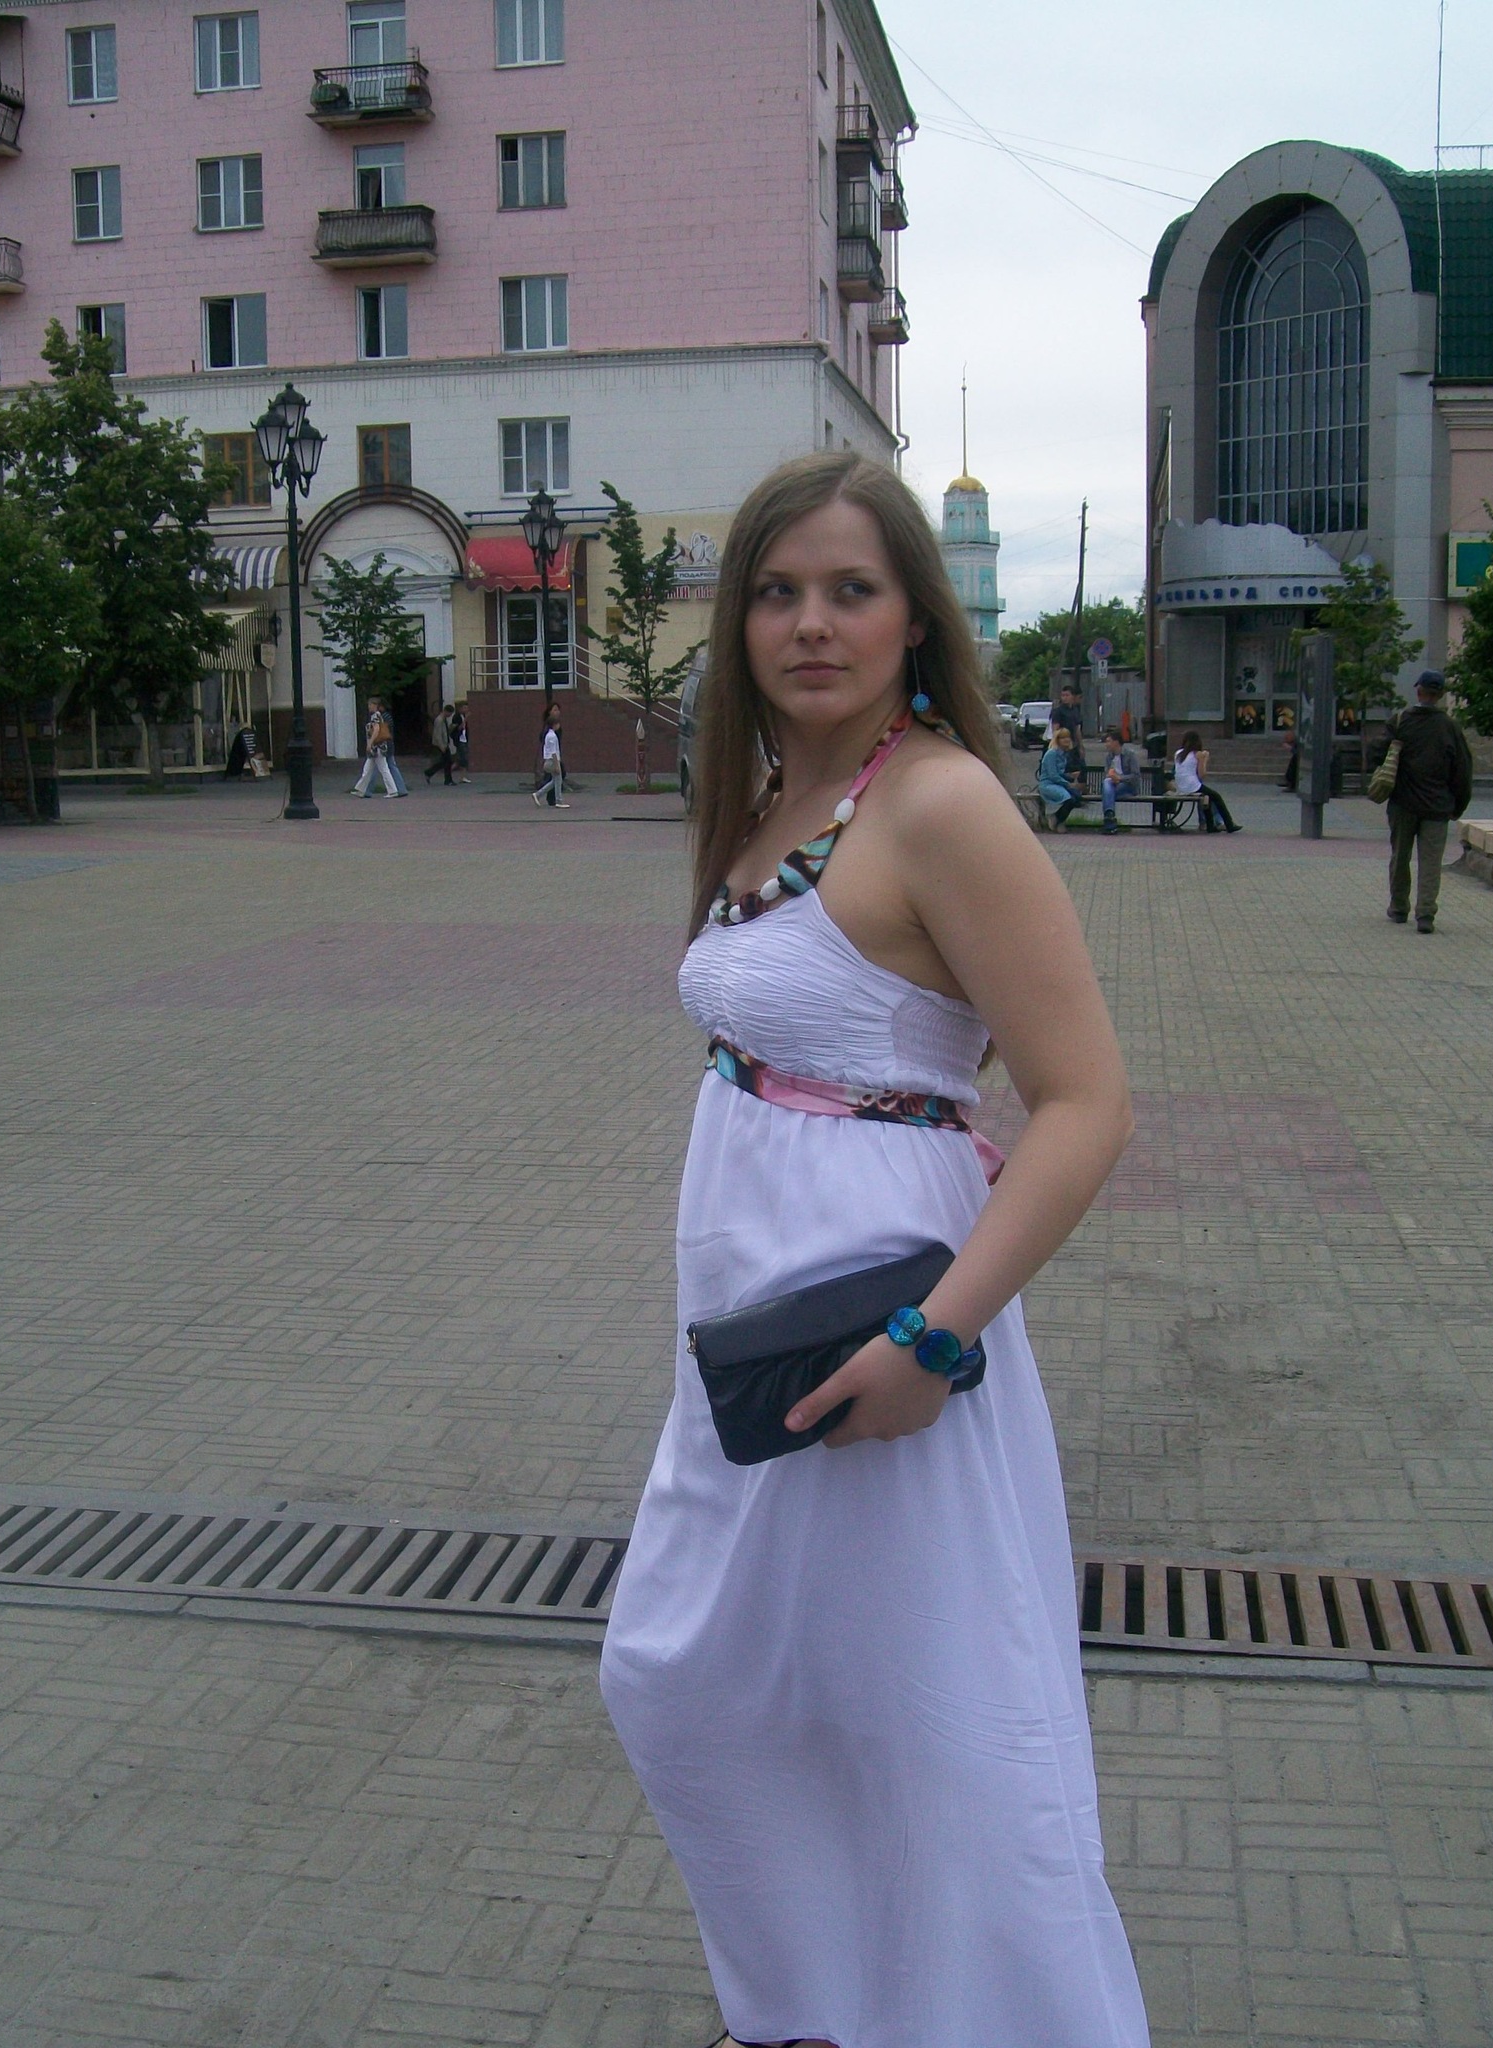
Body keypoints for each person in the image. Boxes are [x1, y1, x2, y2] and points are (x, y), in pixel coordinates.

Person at [599, 450, 1149, 2048]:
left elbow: (1085, 1105)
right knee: (689, 1678)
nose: (810, 623)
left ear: (916, 614)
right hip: (749, 1336)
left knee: (931, 1726)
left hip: (885, 1334)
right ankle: (811, 2009)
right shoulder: (768, 801)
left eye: (850, 590)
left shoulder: (941, 804)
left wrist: (931, 1340)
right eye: (776, 592)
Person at [1385, 669, 1472, 933]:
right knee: (1431, 862)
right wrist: (1458, 806)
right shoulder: (1450, 727)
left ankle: (1399, 907)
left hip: (1403, 803)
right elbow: (1462, 771)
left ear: (1419, 691)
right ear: (1440, 695)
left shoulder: (1400, 721)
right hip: (1437, 806)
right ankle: (1425, 914)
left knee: (1400, 856)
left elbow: (1380, 754)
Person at [1173, 729, 1241, 832]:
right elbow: (1202, 774)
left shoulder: (1178, 753)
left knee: (1207, 796)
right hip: (1192, 786)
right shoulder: (1197, 754)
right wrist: (1204, 760)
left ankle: (1210, 825)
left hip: (1181, 786)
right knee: (1217, 797)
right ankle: (1229, 824)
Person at [352, 697, 408, 797]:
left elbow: (376, 730)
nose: (369, 707)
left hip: (377, 747)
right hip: (378, 747)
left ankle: (392, 791)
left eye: (370, 705)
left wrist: (370, 743)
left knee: (383, 769)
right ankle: (361, 789)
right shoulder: (377, 715)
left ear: (375, 705)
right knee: (368, 770)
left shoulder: (375, 716)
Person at [1036, 721, 1082, 829]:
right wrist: (1068, 784)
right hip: (1048, 784)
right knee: (1069, 799)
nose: (1066, 740)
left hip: (1058, 783)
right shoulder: (1052, 753)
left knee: (1077, 798)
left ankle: (1056, 818)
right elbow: (1053, 775)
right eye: (1063, 738)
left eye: (1068, 737)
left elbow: (1059, 773)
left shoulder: (1064, 754)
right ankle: (1058, 821)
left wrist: (1070, 776)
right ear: (1057, 740)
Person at [1100, 725, 1141, 833]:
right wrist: (1112, 777)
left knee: (1107, 791)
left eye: (1108, 741)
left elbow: (1135, 776)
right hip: (1112, 785)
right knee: (1107, 783)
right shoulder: (1109, 757)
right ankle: (1110, 817)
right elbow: (1107, 774)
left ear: (1116, 742)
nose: (1106, 744)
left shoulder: (1130, 755)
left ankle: (1109, 820)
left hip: (1128, 786)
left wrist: (1120, 778)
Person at [533, 709, 568, 807]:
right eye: (558, 724)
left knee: (555, 781)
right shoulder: (552, 736)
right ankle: (558, 800)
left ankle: (538, 794)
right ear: (554, 725)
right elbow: (553, 752)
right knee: (558, 780)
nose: (559, 725)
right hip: (552, 761)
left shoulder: (548, 735)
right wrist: (557, 765)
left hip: (548, 761)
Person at [1055, 680, 1086, 771]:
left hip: (1074, 743)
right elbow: (1055, 730)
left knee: (1080, 767)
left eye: (1067, 695)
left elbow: (1077, 729)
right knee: (1066, 768)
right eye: (1063, 695)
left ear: (1072, 696)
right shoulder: (1058, 711)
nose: (1065, 698)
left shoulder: (1075, 710)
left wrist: (1080, 745)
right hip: (1063, 744)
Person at [424, 705, 454, 784]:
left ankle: (429, 772)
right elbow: (438, 734)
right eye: (450, 714)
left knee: (445, 762)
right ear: (446, 711)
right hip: (441, 745)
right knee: (447, 762)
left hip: (444, 744)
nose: (450, 716)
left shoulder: (443, 720)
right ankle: (448, 780)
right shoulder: (439, 720)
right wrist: (442, 746)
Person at [448, 701, 471, 782]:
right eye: (464, 708)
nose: (466, 709)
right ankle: (460, 776)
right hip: (459, 740)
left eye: (467, 708)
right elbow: (458, 728)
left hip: (464, 739)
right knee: (463, 758)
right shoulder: (456, 717)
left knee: (460, 758)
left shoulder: (463, 715)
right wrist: (465, 719)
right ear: (460, 708)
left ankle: (452, 772)